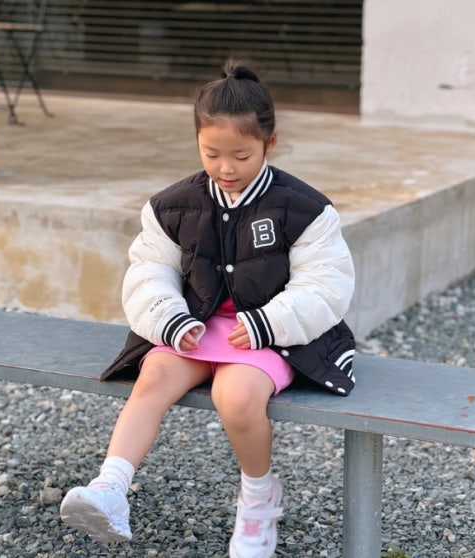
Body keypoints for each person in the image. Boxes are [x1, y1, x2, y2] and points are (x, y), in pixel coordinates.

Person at [60, 59, 356, 557]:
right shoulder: (172, 205)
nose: (226, 168)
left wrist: (268, 323)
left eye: (241, 155)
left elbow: (326, 284)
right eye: (211, 153)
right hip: (197, 327)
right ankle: (110, 487)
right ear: (197, 141)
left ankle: (258, 500)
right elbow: (149, 271)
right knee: (153, 377)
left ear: (270, 143)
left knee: (235, 397)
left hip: (273, 335)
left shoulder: (305, 209)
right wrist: (169, 319)